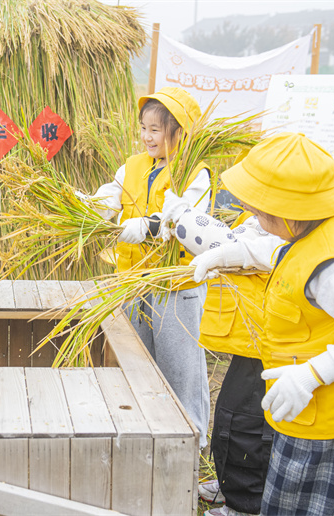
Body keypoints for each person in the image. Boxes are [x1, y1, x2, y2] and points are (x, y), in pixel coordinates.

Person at [190, 132, 334, 516]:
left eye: (261, 210)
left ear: (290, 208)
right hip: (304, 407)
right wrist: (226, 255)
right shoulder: (311, 232)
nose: (254, 217)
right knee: (285, 502)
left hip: (330, 414)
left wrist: (310, 375)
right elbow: (282, 255)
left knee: (313, 507)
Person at [84, 87, 212, 448]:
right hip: (133, 285)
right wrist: (89, 209)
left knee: (180, 372)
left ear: (179, 131)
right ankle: (150, 441)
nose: (146, 137)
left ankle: (191, 450)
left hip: (175, 290)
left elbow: (186, 221)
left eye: (155, 129)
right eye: (143, 128)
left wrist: (145, 227)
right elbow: (112, 193)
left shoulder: (195, 173)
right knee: (138, 365)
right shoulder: (134, 164)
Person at [162, 190, 284, 516]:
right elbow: (235, 238)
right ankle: (231, 482)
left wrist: (184, 218)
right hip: (251, 342)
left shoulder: (285, 237)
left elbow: (237, 247)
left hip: (271, 346)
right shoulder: (260, 223)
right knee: (231, 413)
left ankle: (244, 504)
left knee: (248, 422)